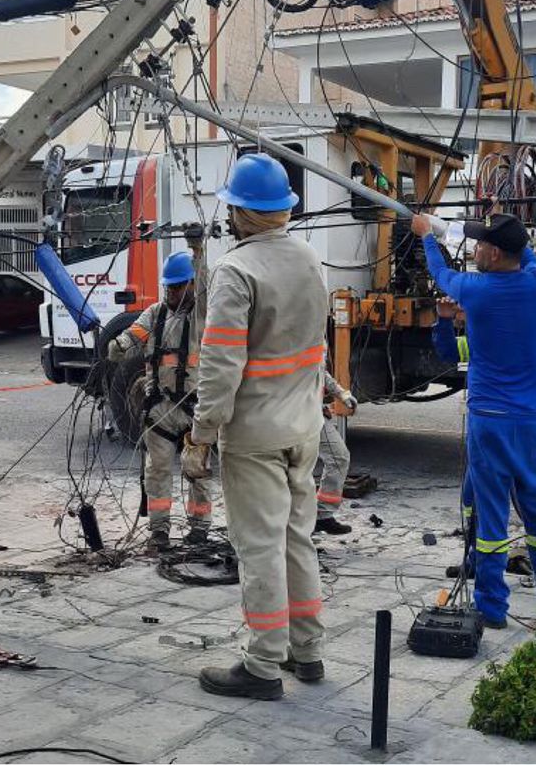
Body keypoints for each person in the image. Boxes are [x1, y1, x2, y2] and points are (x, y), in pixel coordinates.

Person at [414, 210, 536, 629]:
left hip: (490, 423)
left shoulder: (476, 291)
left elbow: (440, 273)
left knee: (491, 518)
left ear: (495, 254)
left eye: (481, 244)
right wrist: (483, 228)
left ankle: (492, 608)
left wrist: (428, 235)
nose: (475, 249)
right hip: (534, 423)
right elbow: (525, 255)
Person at [185, 153, 329, 701]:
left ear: (240, 211)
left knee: (260, 546)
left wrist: (202, 435)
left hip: (255, 434)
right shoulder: (312, 260)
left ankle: (264, 664)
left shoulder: (236, 270)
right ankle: (307, 651)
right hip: (303, 427)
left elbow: (221, 368)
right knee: (297, 538)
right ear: (284, 210)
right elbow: (313, 350)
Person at [431, 295, 536, 598]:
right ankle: (478, 561)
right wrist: (444, 319)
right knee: (472, 498)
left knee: (532, 507)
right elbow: (449, 351)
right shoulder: (486, 338)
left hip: (513, 435)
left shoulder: (514, 337)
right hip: (488, 435)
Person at [106, 250, 216, 551]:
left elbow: (206, 284)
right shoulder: (156, 313)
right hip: (160, 409)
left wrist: (198, 250)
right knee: (157, 472)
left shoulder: (200, 315)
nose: (171, 292)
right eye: (169, 286)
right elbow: (135, 333)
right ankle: (159, 532)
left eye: (178, 286)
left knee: (197, 471)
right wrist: (120, 344)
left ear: (191, 285)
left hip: (194, 408)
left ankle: (200, 529)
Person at [314, 370, 359, 535]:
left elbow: (319, 371)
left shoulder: (314, 344)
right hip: (292, 414)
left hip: (312, 414)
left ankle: (323, 516)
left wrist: (342, 394)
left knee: (339, 456)